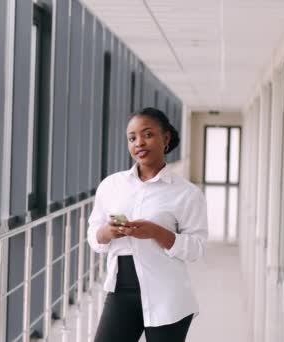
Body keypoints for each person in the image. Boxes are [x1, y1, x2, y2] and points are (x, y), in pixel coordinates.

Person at [88, 107, 208, 342]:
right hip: (121, 292)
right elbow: (94, 235)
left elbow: (197, 248)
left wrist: (156, 232)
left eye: (148, 134)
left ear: (166, 138)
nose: (139, 143)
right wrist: (107, 232)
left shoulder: (187, 194)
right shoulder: (111, 186)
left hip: (168, 295)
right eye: (132, 138)